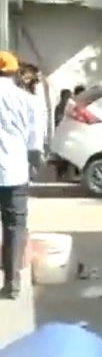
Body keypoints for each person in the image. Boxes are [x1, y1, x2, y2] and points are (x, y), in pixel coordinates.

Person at [0, 51, 43, 299]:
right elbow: (35, 142)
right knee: (14, 227)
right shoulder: (29, 101)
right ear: (15, 72)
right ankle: (12, 283)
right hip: (14, 172)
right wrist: (34, 166)